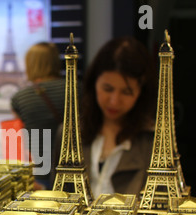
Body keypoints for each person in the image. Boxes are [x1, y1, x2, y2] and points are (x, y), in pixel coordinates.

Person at [57, 36, 157, 196]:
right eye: (108, 89)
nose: (114, 101)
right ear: (94, 83)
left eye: (126, 92)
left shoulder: (152, 141)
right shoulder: (68, 132)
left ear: (141, 92)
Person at [11, 42, 65, 189]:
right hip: (75, 166)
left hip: (41, 170)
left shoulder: (20, 97)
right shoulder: (77, 88)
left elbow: (18, 138)